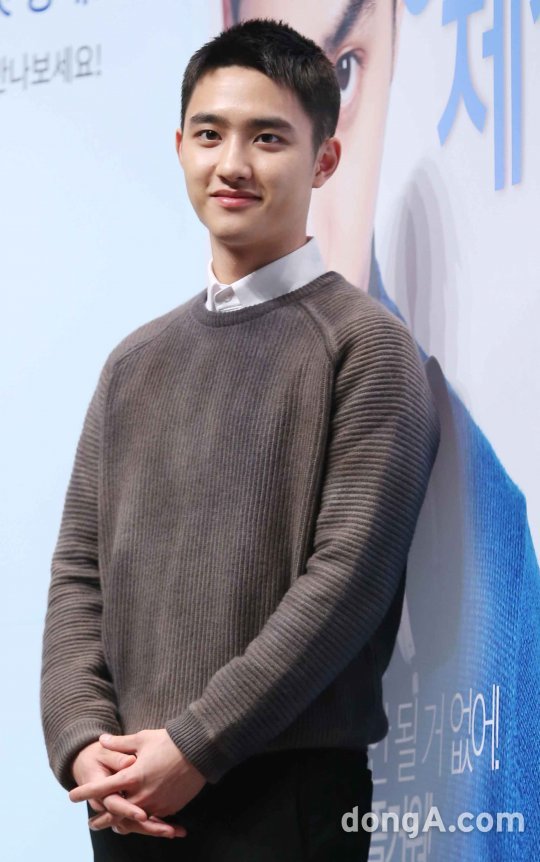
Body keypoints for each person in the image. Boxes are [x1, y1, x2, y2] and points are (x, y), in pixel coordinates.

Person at [40, 18, 441, 861]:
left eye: (268, 138)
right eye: (210, 134)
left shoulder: (365, 345)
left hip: (285, 795)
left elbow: (348, 582)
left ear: (324, 159)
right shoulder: (133, 362)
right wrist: (82, 742)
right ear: (179, 146)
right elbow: (79, 576)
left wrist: (196, 745)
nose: (232, 163)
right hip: (128, 797)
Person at [223, 3, 540, 859]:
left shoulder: (491, 539)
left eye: (342, 75)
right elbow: (83, 587)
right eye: (238, 125)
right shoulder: (152, 370)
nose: (270, 170)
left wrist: (185, 748)